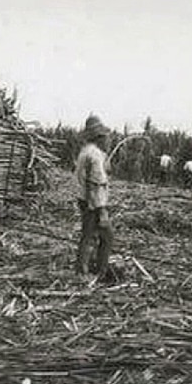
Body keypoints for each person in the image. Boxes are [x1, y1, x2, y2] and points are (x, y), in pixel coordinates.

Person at [75, 115, 114, 278]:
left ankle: (82, 268)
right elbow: (95, 184)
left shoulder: (85, 152)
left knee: (87, 234)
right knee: (107, 237)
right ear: (99, 137)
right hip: (93, 203)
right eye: (105, 137)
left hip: (83, 199)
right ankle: (101, 271)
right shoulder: (96, 155)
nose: (108, 140)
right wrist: (101, 210)